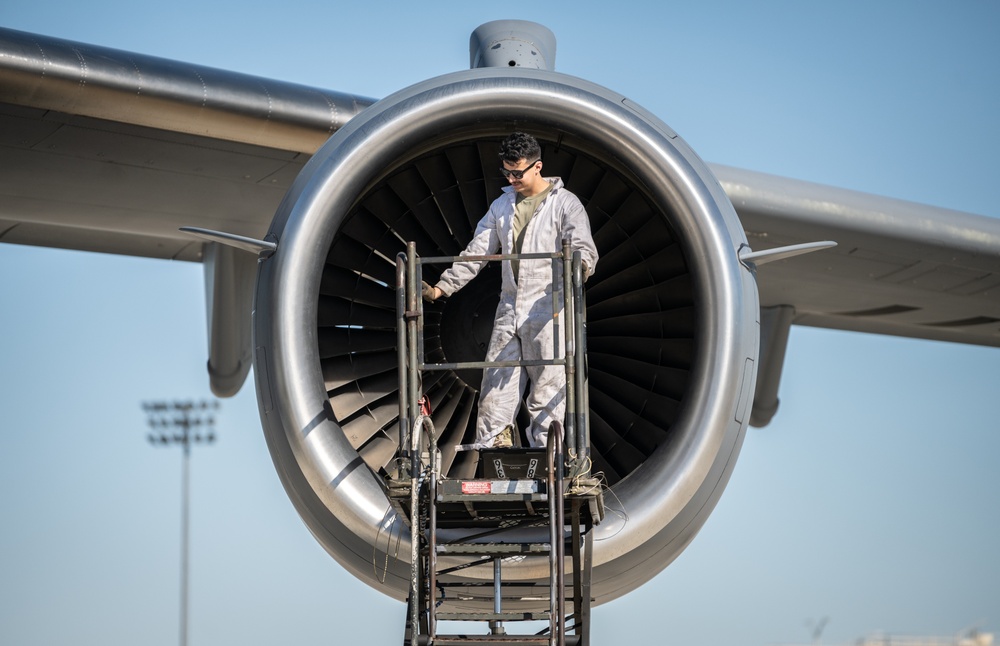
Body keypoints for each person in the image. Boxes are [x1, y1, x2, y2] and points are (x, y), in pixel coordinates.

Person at [422, 132, 598, 449]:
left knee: (547, 390)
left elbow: (584, 252)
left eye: (518, 172)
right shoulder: (502, 206)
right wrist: (441, 288)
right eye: (507, 172)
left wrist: (577, 272)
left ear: (537, 167)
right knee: (495, 387)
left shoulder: (565, 205)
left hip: (550, 311)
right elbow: (477, 252)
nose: (512, 178)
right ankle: (494, 454)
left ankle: (547, 457)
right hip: (509, 307)